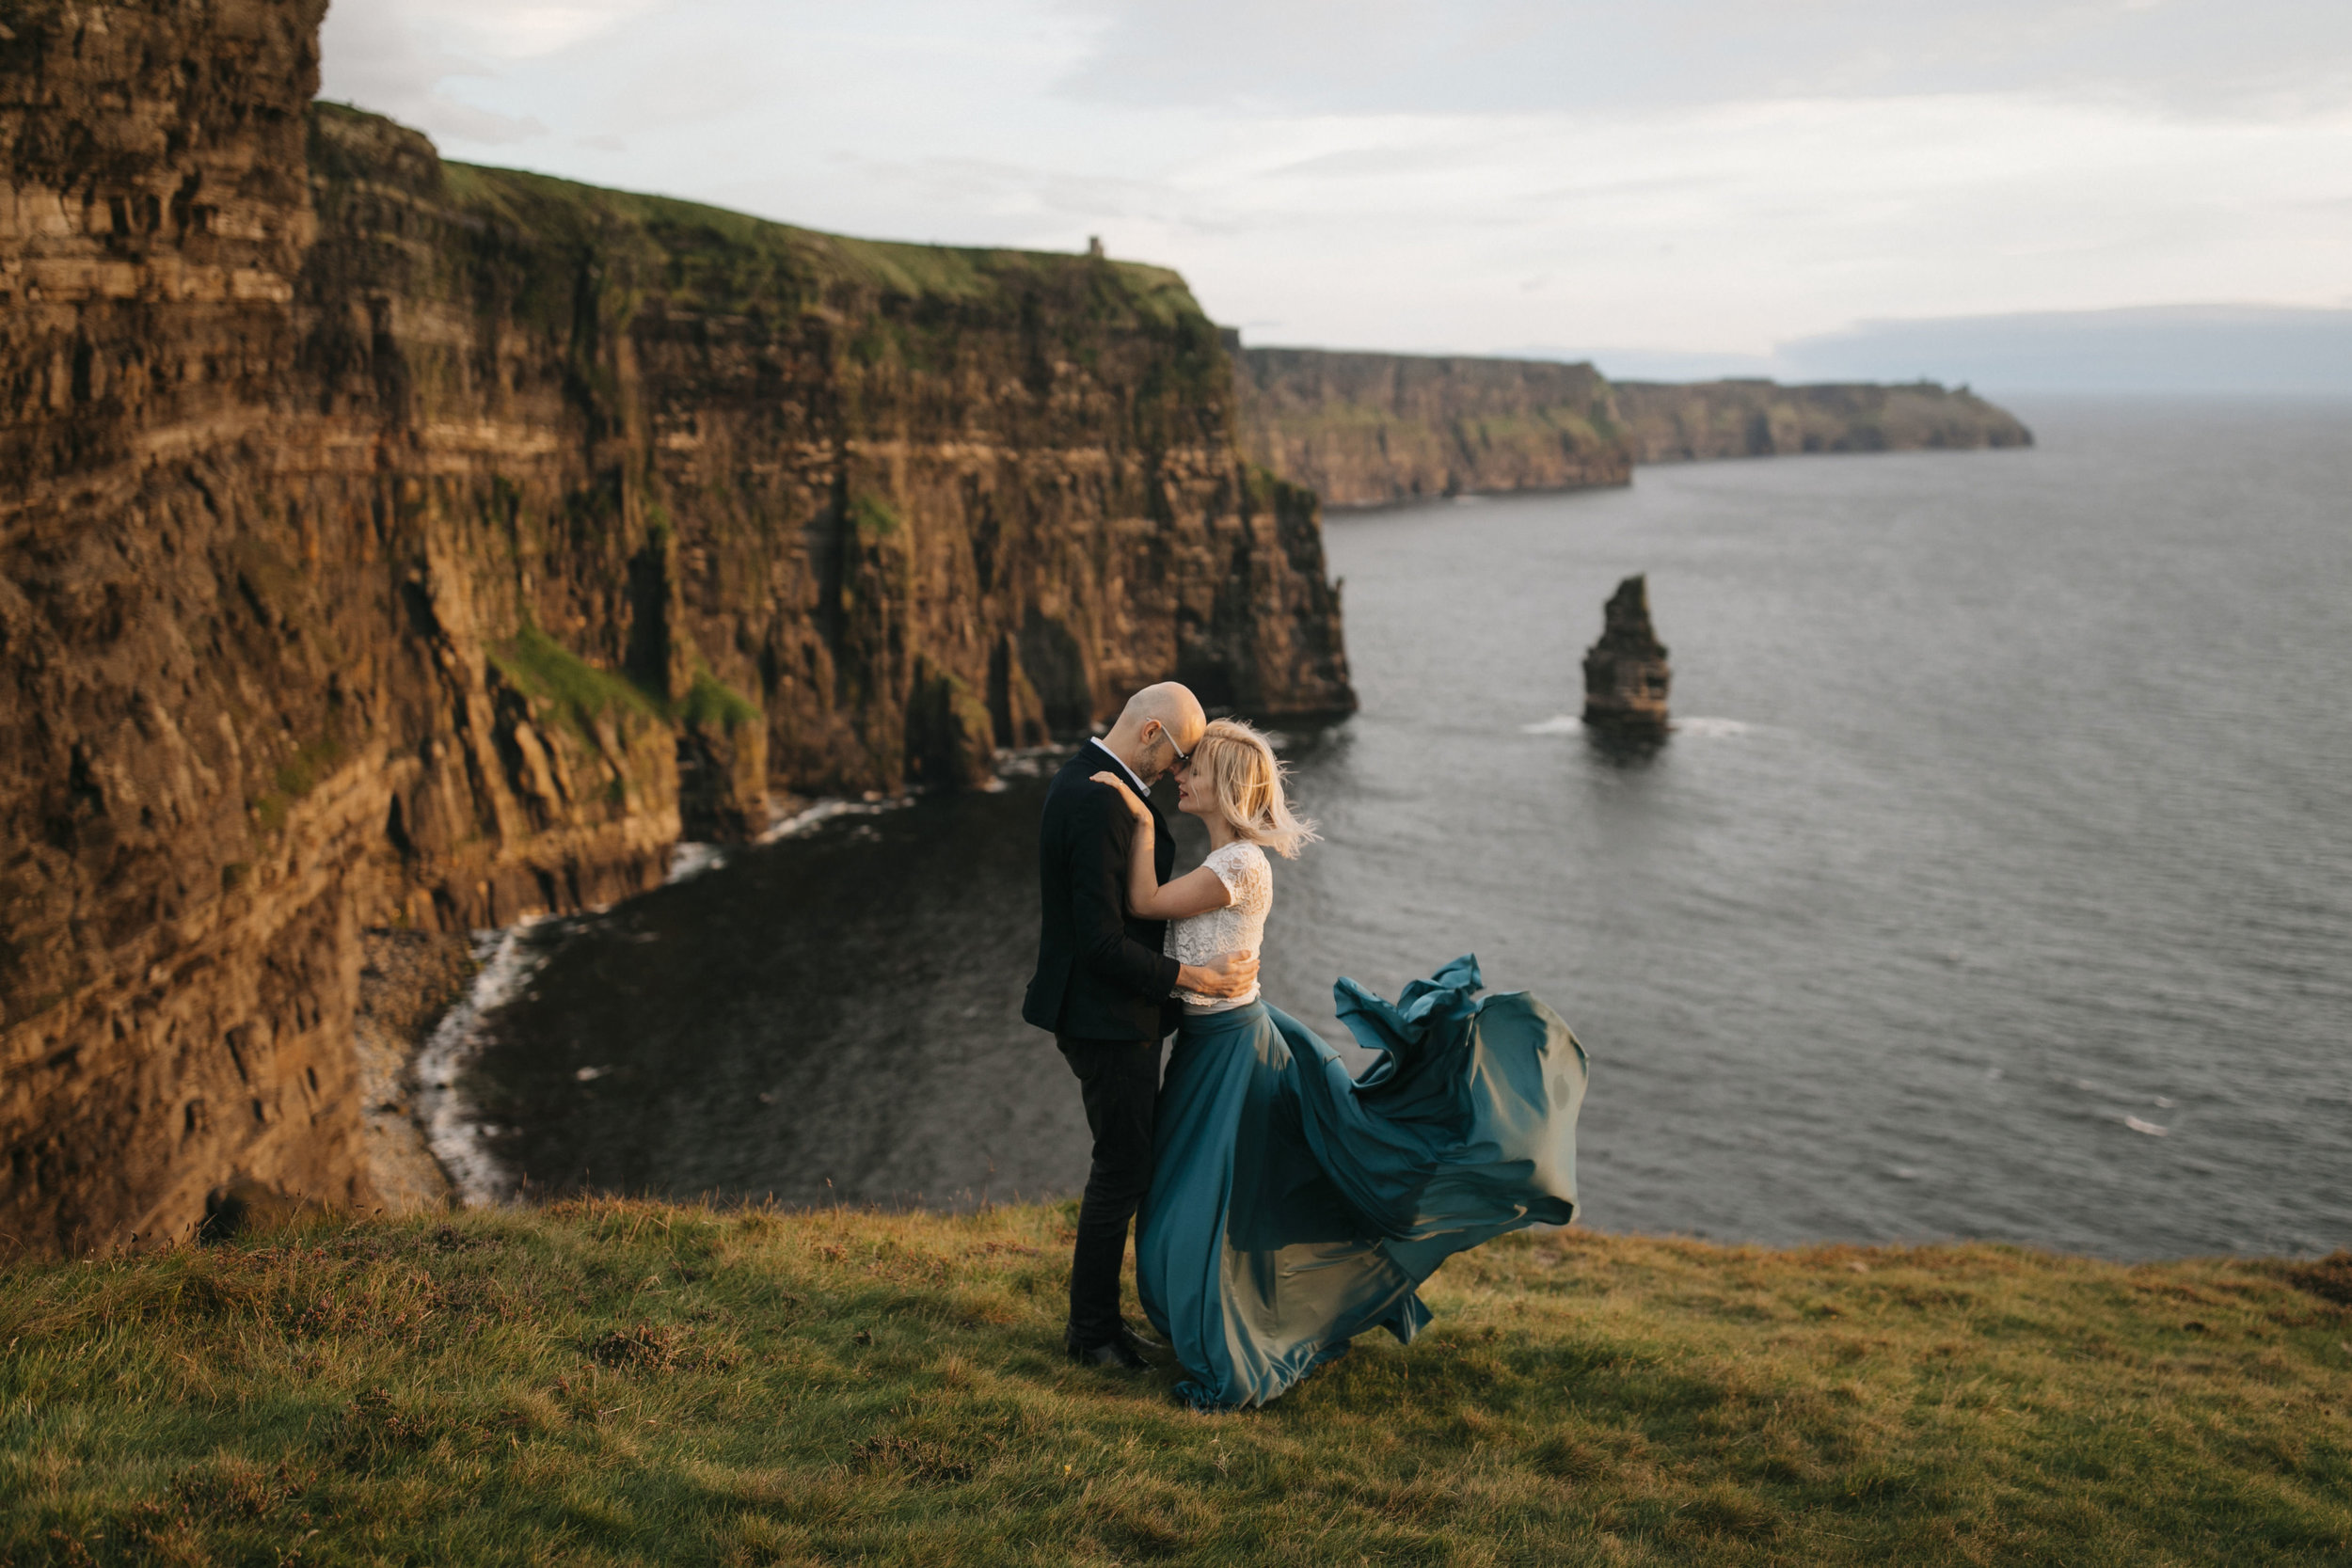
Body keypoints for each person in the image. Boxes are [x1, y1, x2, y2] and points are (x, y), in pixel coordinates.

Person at [1091, 718, 1590, 1409]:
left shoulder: (1240, 866)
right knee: (1194, 1199)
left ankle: (1232, 1343)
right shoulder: (1218, 863)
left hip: (1233, 1051)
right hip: (1207, 1047)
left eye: (1192, 768)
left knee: (1203, 1206)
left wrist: (1131, 811)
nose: (1180, 773)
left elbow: (1140, 902)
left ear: (1225, 785)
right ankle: (1217, 1321)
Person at [1023, 683, 1258, 1370]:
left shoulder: (1099, 783)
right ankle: (1092, 1334)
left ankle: (1105, 1326)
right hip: (1105, 1016)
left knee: (1127, 1165)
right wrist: (1196, 980)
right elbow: (1100, 943)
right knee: (1121, 1168)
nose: (1180, 770)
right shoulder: (1100, 798)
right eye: (1181, 755)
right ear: (1152, 732)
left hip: (1117, 1010)